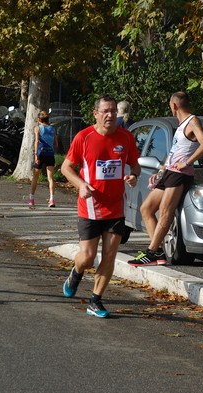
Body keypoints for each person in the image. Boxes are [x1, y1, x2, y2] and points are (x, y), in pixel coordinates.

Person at [61, 94, 141, 318]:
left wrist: (134, 175)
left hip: (115, 207)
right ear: (95, 114)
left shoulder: (125, 137)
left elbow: (135, 165)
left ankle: (95, 300)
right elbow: (66, 168)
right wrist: (81, 184)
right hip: (90, 206)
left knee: (109, 255)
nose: (110, 115)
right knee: (87, 257)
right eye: (105, 111)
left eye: (113, 111)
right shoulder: (83, 137)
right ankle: (76, 273)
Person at [128, 92, 203, 266]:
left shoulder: (192, 121)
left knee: (166, 211)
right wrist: (160, 172)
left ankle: (151, 252)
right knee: (147, 209)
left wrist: (187, 162)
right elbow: (175, 151)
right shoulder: (181, 125)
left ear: (174, 106)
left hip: (180, 175)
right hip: (169, 172)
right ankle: (157, 252)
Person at [29, 111, 58, 208]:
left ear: (39, 120)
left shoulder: (37, 128)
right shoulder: (53, 129)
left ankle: (32, 199)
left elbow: (37, 141)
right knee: (50, 178)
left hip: (41, 154)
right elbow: (56, 144)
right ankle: (52, 199)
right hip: (50, 154)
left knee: (35, 177)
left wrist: (36, 154)